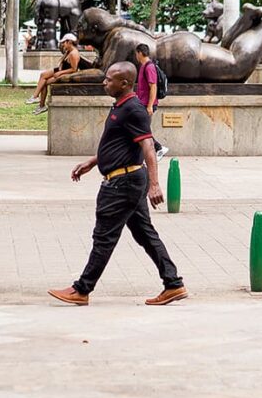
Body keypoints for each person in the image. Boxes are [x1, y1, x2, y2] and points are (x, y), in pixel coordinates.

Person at [47, 62, 187, 307]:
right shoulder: (121, 107)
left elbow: (148, 148)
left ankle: (82, 289)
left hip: (123, 184)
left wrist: (155, 185)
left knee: (104, 237)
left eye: (109, 79)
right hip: (127, 179)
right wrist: (93, 162)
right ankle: (174, 284)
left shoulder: (133, 109)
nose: (104, 82)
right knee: (145, 234)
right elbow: (120, 145)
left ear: (124, 83)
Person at [29, 33, 81, 114]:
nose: (63, 44)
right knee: (43, 75)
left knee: (44, 83)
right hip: (61, 70)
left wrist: (60, 73)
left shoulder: (74, 53)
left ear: (69, 42)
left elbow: (74, 69)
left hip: (66, 73)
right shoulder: (69, 51)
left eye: (64, 42)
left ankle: (41, 104)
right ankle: (36, 97)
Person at [134, 43, 169, 159]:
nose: (136, 56)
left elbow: (153, 87)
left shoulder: (149, 67)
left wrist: (149, 106)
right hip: (142, 103)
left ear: (140, 53)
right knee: (141, 130)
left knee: (142, 131)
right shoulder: (144, 66)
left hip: (147, 105)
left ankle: (159, 148)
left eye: (136, 54)